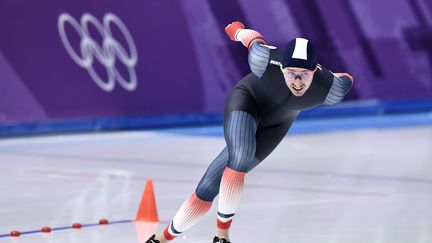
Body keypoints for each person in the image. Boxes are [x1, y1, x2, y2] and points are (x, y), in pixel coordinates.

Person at [146, 21, 353, 243]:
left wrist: (334, 75)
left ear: (315, 71)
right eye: (292, 73)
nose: (298, 82)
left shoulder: (331, 88)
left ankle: (162, 239)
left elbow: (346, 79)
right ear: (282, 67)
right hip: (247, 102)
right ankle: (221, 236)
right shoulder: (264, 61)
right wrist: (236, 30)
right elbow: (253, 40)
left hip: (277, 125)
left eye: (304, 74)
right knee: (239, 158)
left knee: (211, 183)